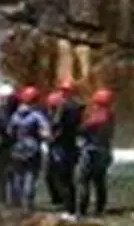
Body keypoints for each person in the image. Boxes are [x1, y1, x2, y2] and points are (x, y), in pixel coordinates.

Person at [6, 85, 51, 213]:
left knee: (18, 176)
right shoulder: (37, 116)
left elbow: (9, 132)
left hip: (17, 149)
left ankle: (17, 203)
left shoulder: (15, 115)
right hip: (33, 150)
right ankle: (28, 204)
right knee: (31, 176)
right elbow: (46, 131)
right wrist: (45, 136)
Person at [76, 88, 116, 218]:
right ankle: (99, 210)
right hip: (105, 151)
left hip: (91, 152)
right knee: (100, 181)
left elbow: (82, 129)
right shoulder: (110, 115)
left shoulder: (98, 116)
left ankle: (82, 211)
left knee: (83, 180)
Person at [49, 79, 85, 216]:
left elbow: (56, 124)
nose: (61, 92)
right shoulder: (80, 105)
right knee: (70, 178)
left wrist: (51, 134)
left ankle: (68, 209)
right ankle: (74, 208)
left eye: (62, 90)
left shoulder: (63, 106)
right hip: (73, 144)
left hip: (61, 145)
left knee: (62, 178)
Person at [0, 84, 18, 204]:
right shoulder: (15, 111)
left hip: (1, 147)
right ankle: (13, 202)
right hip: (9, 147)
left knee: (1, 176)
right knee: (10, 175)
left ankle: (1, 200)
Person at [43, 91, 65, 207]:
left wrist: (50, 137)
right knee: (49, 176)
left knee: (58, 175)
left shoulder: (61, 117)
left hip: (59, 150)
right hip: (53, 150)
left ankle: (62, 200)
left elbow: (60, 132)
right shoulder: (51, 115)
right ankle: (57, 200)